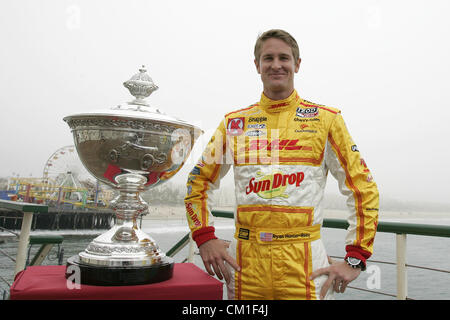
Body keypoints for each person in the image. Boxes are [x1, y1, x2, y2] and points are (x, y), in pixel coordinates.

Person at [184, 29, 379, 300]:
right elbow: (199, 181)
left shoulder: (327, 120)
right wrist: (204, 237)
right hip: (246, 265)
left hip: (305, 264)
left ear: (297, 64)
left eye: (284, 58)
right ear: (257, 65)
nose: (276, 65)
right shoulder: (233, 124)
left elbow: (363, 189)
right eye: (268, 58)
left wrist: (355, 258)